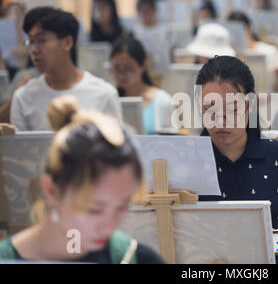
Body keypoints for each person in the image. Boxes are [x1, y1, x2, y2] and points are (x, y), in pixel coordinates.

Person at [0, 96, 164, 264]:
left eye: (122, 206)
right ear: (51, 191)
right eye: (94, 209)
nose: (109, 227)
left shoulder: (139, 258)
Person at [196, 56, 278, 264]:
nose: (221, 120)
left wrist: (277, 242)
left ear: (249, 106)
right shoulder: (188, 160)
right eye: (210, 109)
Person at [10, 7, 122, 131]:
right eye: (31, 42)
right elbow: (19, 148)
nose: (34, 50)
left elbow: (116, 147)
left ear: (67, 43)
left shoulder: (104, 94)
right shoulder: (23, 97)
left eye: (41, 40)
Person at [111, 35, 172, 134]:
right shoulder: (110, 99)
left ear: (143, 65)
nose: (122, 75)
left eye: (128, 68)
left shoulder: (163, 101)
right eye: (117, 68)